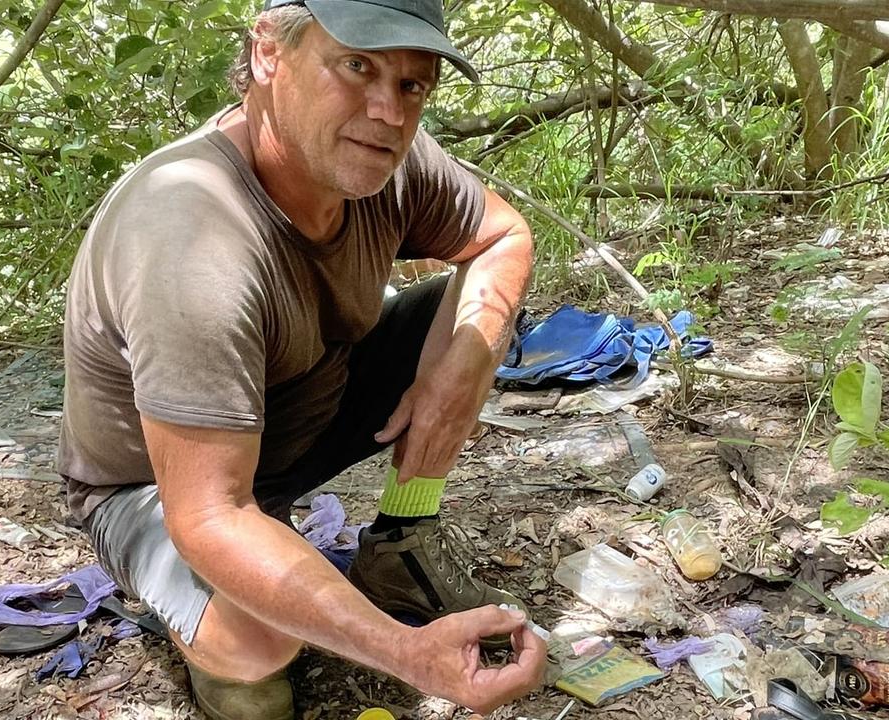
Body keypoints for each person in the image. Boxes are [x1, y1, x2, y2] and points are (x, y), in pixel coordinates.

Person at [55, 0, 545, 717]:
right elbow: (211, 514)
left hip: (298, 420)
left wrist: (458, 368)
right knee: (261, 640)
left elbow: (503, 237)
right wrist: (408, 654)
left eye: (413, 85)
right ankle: (217, 644)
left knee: (479, 318)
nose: (387, 112)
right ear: (267, 53)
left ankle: (401, 542)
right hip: (155, 487)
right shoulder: (191, 240)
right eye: (356, 65)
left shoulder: (384, 158)